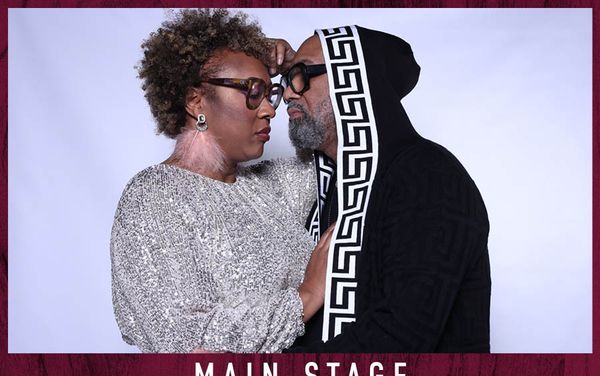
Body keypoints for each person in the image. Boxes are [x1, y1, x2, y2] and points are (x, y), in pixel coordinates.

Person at [110, 9, 333, 353]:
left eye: (270, 92)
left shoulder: (273, 185)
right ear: (195, 101)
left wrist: (297, 69)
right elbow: (181, 339)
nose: (270, 109)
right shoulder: (151, 197)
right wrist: (308, 296)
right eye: (253, 91)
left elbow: (342, 144)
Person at [281, 26, 491, 352]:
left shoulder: (428, 175)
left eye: (301, 74)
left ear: (354, 79)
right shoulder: (325, 186)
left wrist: (268, 374)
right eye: (286, 79)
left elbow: (401, 335)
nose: (286, 94)